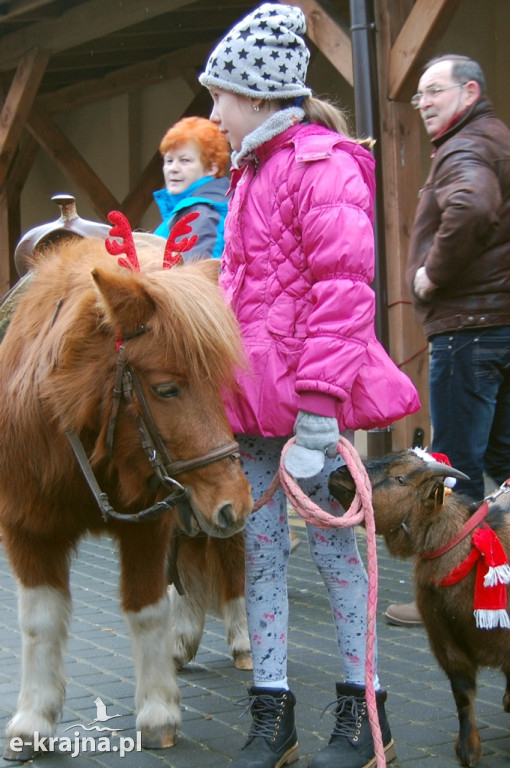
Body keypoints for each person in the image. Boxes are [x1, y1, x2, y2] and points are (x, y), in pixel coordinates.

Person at [198, 5, 420, 768]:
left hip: (309, 407)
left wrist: (320, 416)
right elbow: (239, 292)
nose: (212, 112)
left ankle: (367, 714)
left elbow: (344, 290)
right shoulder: (250, 171)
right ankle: (273, 710)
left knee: (335, 557)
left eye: (219, 94)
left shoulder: (319, 165)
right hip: (253, 405)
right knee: (257, 553)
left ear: (254, 95)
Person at [387, 54, 510, 630]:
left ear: (469, 89)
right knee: (504, 464)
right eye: (419, 95)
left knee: (453, 470)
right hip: (498, 328)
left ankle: (448, 598)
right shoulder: (493, 137)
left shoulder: (464, 148)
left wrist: (430, 276)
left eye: (434, 90)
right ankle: (496, 588)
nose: (426, 101)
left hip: (468, 333)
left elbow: (472, 205)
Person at [153, 115, 230, 260]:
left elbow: (190, 280)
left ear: (211, 169)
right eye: (169, 161)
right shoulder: (188, 211)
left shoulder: (202, 215)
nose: (173, 168)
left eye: (185, 160)